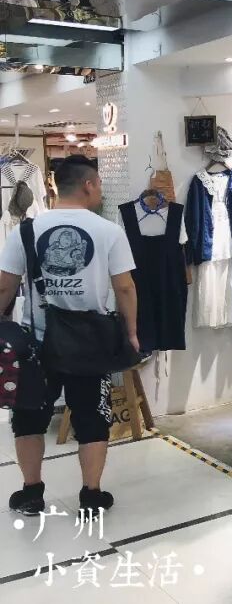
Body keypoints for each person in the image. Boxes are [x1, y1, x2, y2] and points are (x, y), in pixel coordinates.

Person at [0, 156, 138, 516]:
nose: (100, 190)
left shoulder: (25, 232)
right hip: (91, 344)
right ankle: (91, 495)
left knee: (29, 418)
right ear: (88, 185)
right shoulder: (109, 231)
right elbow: (124, 288)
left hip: (36, 343)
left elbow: (5, 287)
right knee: (92, 419)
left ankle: (32, 492)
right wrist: (131, 333)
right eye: (99, 184)